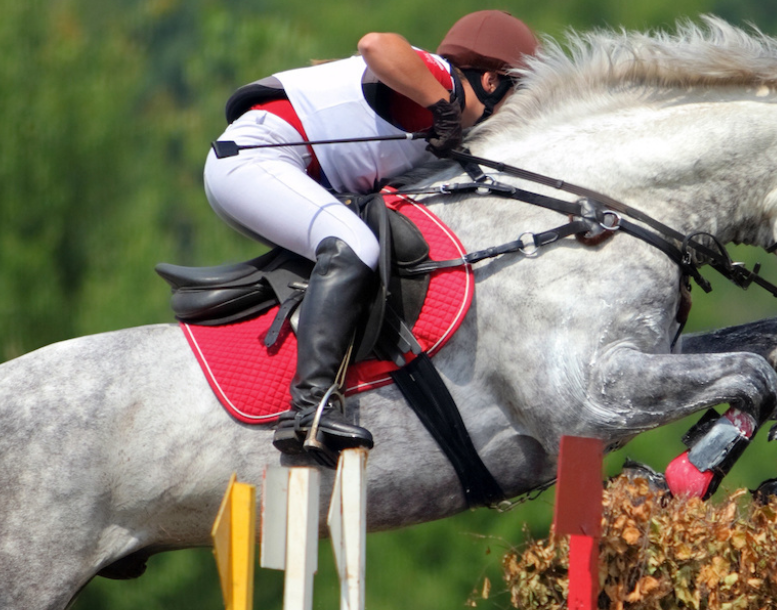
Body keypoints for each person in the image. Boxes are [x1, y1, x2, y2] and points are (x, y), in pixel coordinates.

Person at [205, 10, 539, 459]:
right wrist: (443, 108)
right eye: (522, 92)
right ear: (494, 82)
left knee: (362, 248)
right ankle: (310, 408)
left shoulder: (434, 105)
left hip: (271, 169)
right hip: (256, 159)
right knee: (356, 244)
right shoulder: (442, 80)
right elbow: (374, 44)